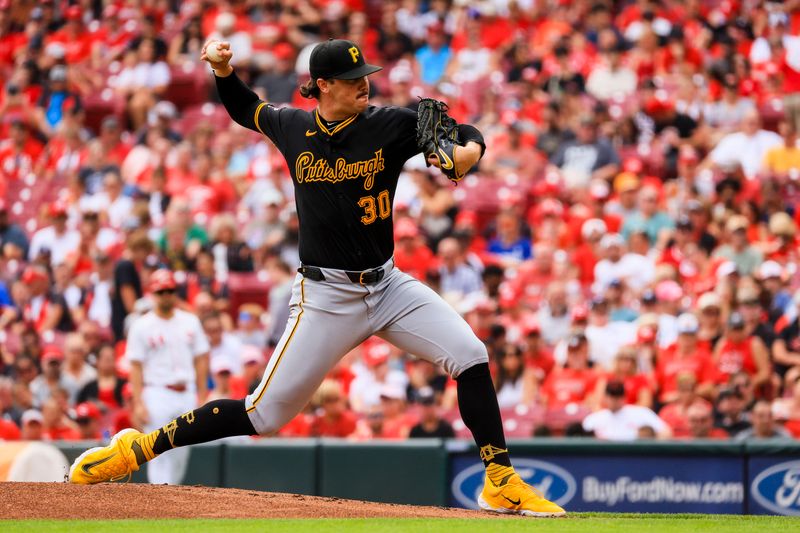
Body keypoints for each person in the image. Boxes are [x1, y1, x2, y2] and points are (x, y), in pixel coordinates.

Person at [69, 38, 565, 517]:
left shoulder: (389, 124)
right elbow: (247, 109)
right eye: (351, 81)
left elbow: (461, 132)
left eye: (364, 76)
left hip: (389, 286)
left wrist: (468, 151)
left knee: (471, 355)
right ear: (322, 85)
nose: (363, 86)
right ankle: (138, 447)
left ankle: (501, 482)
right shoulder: (292, 127)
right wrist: (223, 73)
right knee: (264, 414)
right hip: (326, 296)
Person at [119, 269, 209, 485]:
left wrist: (202, 394)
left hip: (185, 391)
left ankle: (171, 497)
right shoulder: (141, 325)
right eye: (161, 291)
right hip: (157, 392)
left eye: (169, 290)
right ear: (152, 294)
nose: (166, 295)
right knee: (158, 449)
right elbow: (136, 366)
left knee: (182, 451)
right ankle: (159, 501)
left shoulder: (190, 321)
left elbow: (201, 358)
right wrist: (138, 402)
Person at [581, 381, 672, 441]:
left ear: (623, 397)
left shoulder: (641, 413)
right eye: (611, 396)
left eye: (618, 396)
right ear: (605, 397)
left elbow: (666, 432)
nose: (614, 400)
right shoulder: (594, 419)